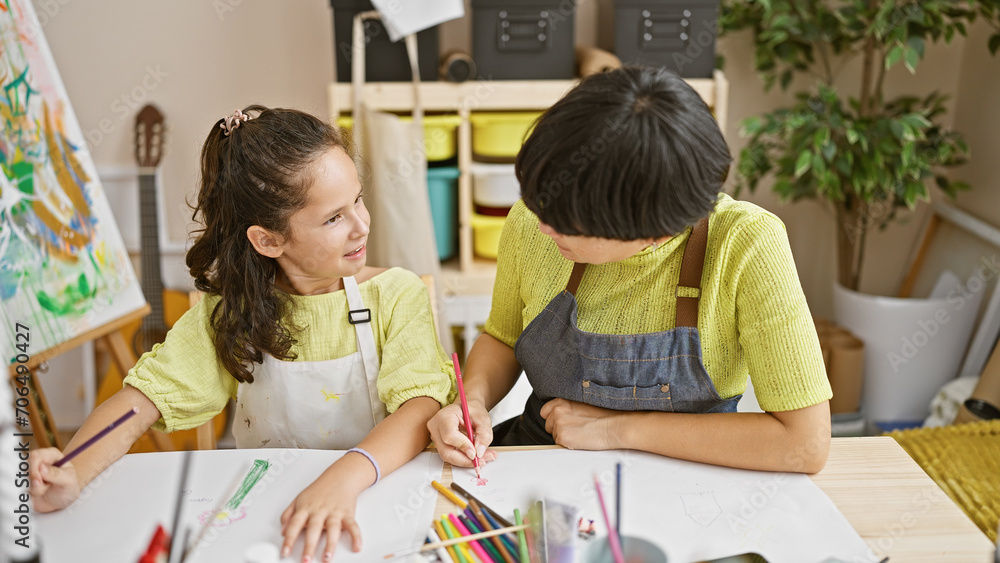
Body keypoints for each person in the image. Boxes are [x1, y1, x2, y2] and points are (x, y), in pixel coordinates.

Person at [29, 106, 458, 562]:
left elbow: (420, 407)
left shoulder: (395, 295)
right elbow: (139, 403)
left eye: (358, 199)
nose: (361, 224)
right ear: (268, 240)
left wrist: (343, 477)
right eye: (334, 218)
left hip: (374, 495)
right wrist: (73, 470)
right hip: (269, 515)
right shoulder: (232, 312)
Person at [428, 66, 833, 474]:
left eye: (571, 222)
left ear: (655, 228)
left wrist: (619, 430)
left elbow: (804, 443)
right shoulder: (533, 223)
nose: (543, 224)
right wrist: (473, 400)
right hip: (546, 457)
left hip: (694, 476)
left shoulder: (745, 243)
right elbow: (503, 336)